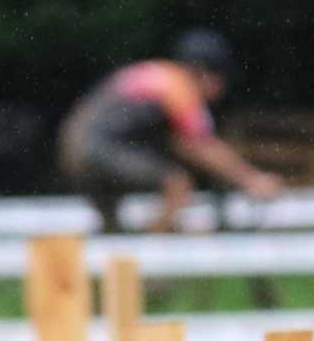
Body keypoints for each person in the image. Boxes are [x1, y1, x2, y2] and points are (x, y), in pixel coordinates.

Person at [59, 29, 283, 231]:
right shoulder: (178, 85)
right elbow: (199, 146)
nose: (222, 88)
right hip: (99, 148)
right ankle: (152, 255)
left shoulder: (156, 76)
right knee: (176, 183)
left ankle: (135, 255)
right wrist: (252, 180)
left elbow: (178, 143)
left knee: (113, 231)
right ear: (202, 72)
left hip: (74, 147)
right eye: (220, 78)